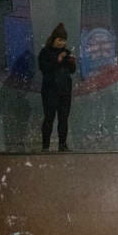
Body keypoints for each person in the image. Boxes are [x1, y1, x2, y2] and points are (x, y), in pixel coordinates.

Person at [38, 23, 76, 151]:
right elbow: (44, 68)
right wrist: (58, 60)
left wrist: (71, 62)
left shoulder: (67, 53)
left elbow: (72, 70)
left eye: (64, 40)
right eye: (60, 40)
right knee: (49, 117)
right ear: (54, 39)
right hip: (50, 90)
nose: (62, 43)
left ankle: (62, 145)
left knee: (63, 118)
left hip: (65, 90)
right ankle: (45, 146)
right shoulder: (45, 52)